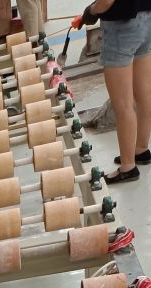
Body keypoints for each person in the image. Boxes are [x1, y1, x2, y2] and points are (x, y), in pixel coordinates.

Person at [78, 0, 151, 182]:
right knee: (144, 94)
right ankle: (141, 149)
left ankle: (128, 166)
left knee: (123, 104)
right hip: (147, 18)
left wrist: (91, 11)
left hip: (121, 28)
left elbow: (106, 1)